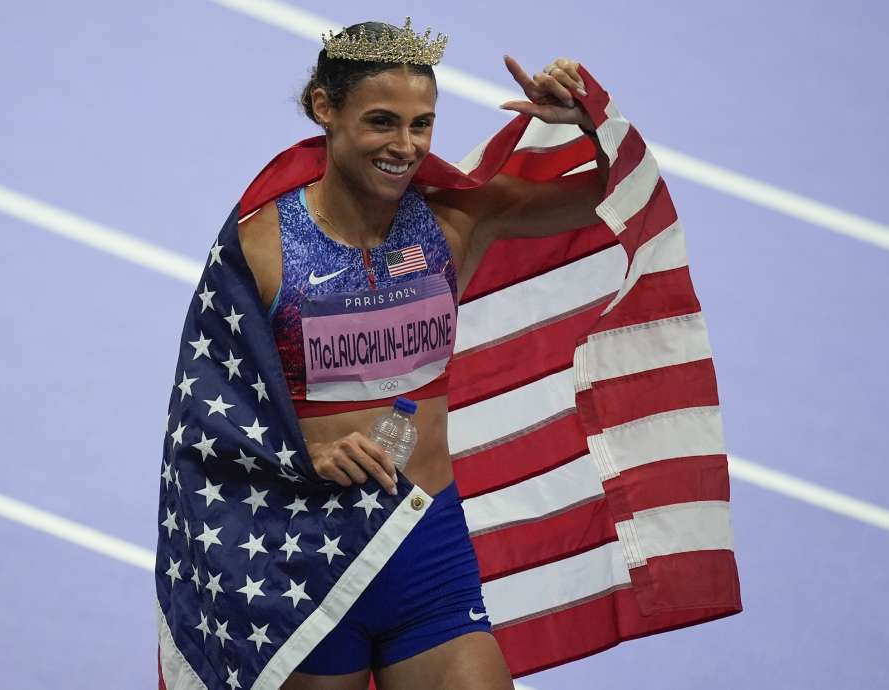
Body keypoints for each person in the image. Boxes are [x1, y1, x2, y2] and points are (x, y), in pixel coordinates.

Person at [235, 19, 610, 690]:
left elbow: (609, 202)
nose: (404, 147)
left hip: (426, 549)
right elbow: (213, 414)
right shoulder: (260, 247)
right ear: (325, 107)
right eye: (382, 122)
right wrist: (306, 455)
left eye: (422, 125)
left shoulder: (457, 219)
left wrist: (591, 125)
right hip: (307, 559)